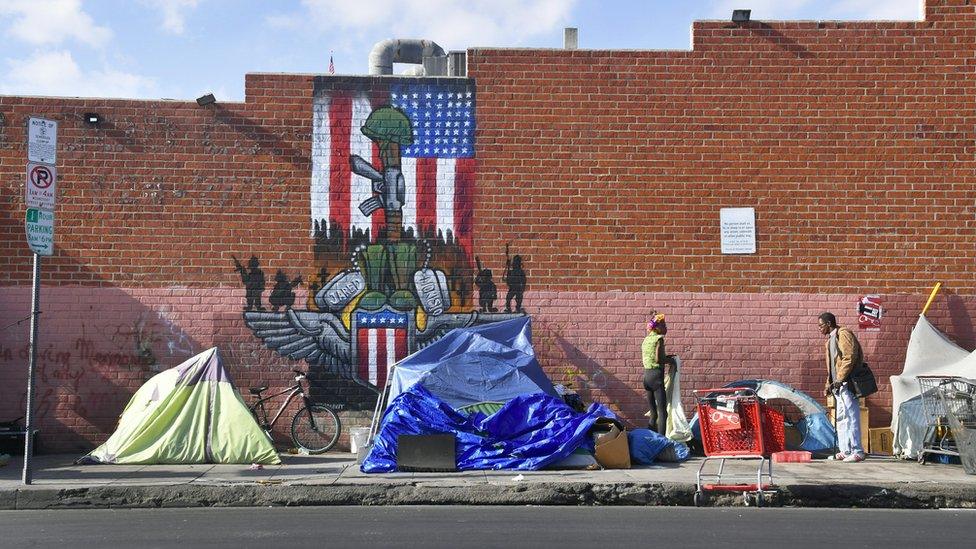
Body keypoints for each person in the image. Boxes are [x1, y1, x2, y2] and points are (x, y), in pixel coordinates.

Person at [818, 312, 866, 462]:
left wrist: (840, 378)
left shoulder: (843, 334)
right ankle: (845, 450)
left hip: (847, 383)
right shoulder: (830, 340)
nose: (819, 329)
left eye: (821, 325)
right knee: (841, 418)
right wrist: (829, 384)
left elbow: (849, 356)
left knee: (851, 416)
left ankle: (857, 451)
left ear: (828, 323)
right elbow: (832, 367)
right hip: (837, 385)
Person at [641, 312, 675, 435]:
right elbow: (658, 359)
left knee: (653, 413)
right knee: (662, 412)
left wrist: (666, 357)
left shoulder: (646, 339)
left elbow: (653, 357)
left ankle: (651, 441)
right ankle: (661, 441)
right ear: (657, 327)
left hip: (646, 377)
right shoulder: (659, 339)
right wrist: (672, 361)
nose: (666, 328)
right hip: (656, 377)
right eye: (664, 325)